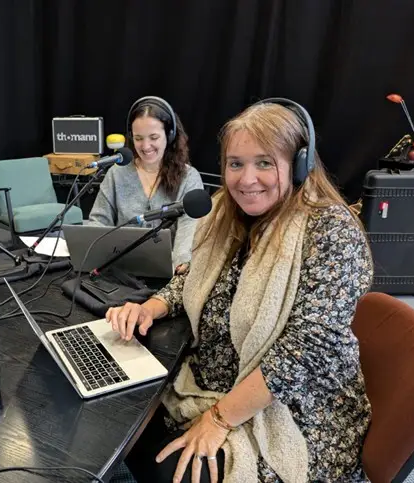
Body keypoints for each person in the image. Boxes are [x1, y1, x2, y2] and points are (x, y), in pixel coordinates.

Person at [107, 99, 373, 482]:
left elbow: (304, 352)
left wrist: (218, 420)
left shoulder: (330, 232)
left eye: (264, 163)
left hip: (298, 411)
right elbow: (195, 277)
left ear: (300, 165)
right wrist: (152, 306)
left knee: (166, 469)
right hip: (218, 384)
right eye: (236, 164)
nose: (247, 180)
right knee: (125, 426)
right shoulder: (225, 214)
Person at [88, 96, 204, 272]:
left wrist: (181, 262)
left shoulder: (189, 177)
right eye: (138, 138)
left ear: (170, 135)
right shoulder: (116, 173)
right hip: (119, 271)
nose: (146, 146)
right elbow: (98, 222)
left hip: (169, 275)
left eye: (154, 137)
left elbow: (189, 228)